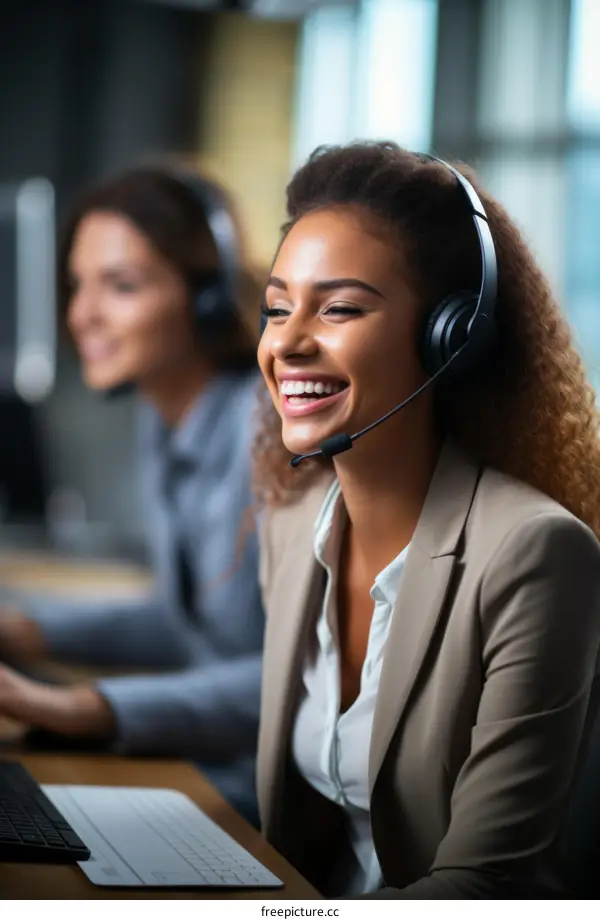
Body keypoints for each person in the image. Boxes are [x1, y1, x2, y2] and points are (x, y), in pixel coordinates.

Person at [253, 141, 600, 897]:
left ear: (452, 336)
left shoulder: (534, 554)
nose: (288, 343)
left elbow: (483, 881)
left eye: (339, 308)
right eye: (278, 308)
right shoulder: (292, 529)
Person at [0, 163, 264, 824]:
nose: (82, 314)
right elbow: (188, 622)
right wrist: (24, 627)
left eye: (120, 285)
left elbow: (303, 679)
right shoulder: (166, 412)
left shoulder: (267, 433)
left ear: (205, 297)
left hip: (261, 787)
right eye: (76, 286)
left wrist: (80, 708)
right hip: (201, 756)